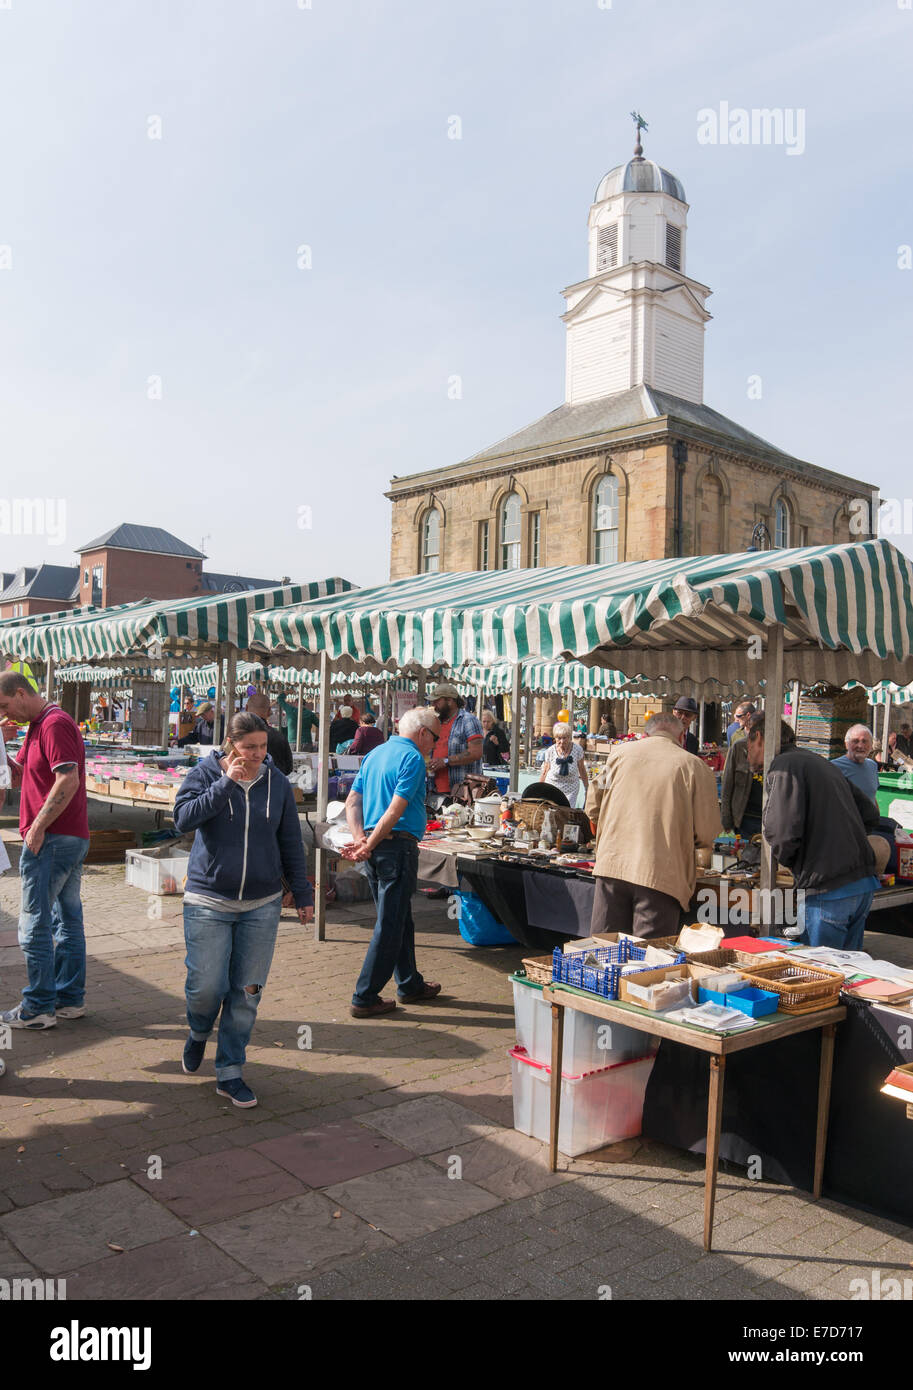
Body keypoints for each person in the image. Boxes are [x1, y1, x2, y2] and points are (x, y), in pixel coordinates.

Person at [173, 711, 314, 1107]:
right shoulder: (205, 773)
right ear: (230, 743)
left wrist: (301, 894)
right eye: (248, 747)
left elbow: (290, 842)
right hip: (207, 900)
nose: (256, 755)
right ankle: (199, 1030)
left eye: (262, 747)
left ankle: (230, 1070)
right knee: (206, 987)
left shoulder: (277, 784)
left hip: (262, 903)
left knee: (247, 991)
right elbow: (183, 818)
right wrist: (225, 783)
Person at [0, 672, 90, 1029]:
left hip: (53, 839)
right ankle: (69, 999)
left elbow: (68, 778)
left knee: (34, 922)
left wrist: (37, 826)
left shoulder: (53, 724)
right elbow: (22, 774)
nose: (6, 714)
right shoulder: (39, 725)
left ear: (21, 693)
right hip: (66, 837)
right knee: (66, 919)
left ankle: (38, 1006)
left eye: (6, 705)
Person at [748, 714, 882, 949]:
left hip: (828, 890)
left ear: (759, 738)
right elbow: (870, 814)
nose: (747, 755)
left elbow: (782, 832)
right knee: (847, 974)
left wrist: (794, 862)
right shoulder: (819, 761)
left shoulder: (784, 765)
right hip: (861, 885)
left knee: (820, 974)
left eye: (747, 747)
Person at [342, 706, 443, 1018]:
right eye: (435, 738)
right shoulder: (412, 758)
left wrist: (362, 839)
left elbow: (353, 800)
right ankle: (365, 995)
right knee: (390, 924)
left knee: (399, 918)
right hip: (394, 848)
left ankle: (409, 982)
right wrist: (367, 843)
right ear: (423, 732)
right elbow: (394, 811)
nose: (435, 745)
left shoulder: (376, 753)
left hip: (378, 848)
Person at [586, 712, 721, 939]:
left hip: (612, 865)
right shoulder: (694, 767)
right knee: (647, 959)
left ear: (646, 734)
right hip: (660, 874)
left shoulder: (618, 756)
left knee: (602, 952)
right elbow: (707, 832)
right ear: (681, 736)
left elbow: (591, 806)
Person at [428, 683, 483, 793]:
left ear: (450, 701)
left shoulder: (468, 720)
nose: (433, 704)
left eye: (437, 701)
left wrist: (446, 761)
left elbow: (476, 752)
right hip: (434, 789)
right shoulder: (436, 722)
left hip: (461, 792)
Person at [720, 723, 764, 837]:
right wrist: (726, 818)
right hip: (743, 820)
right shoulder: (739, 747)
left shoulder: (776, 749)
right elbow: (727, 784)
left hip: (766, 820)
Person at [540, 722, 589, 807]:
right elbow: (545, 771)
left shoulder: (578, 749)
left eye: (564, 738)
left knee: (566, 812)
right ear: (555, 738)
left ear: (569, 737)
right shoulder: (550, 751)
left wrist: (587, 788)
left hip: (571, 788)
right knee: (552, 812)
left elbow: (582, 769)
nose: (562, 741)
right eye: (559, 738)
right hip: (553, 786)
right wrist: (539, 789)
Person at [245, 693, 294, 775]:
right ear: (269, 711)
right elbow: (288, 768)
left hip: (243, 785)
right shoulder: (279, 737)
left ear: (246, 708)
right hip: (273, 784)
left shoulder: (237, 734)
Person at [832, 725, 879, 806]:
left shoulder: (872, 766)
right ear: (846, 744)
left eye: (864, 741)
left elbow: (872, 797)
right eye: (855, 741)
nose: (860, 746)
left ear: (871, 745)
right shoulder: (834, 767)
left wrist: (876, 817)